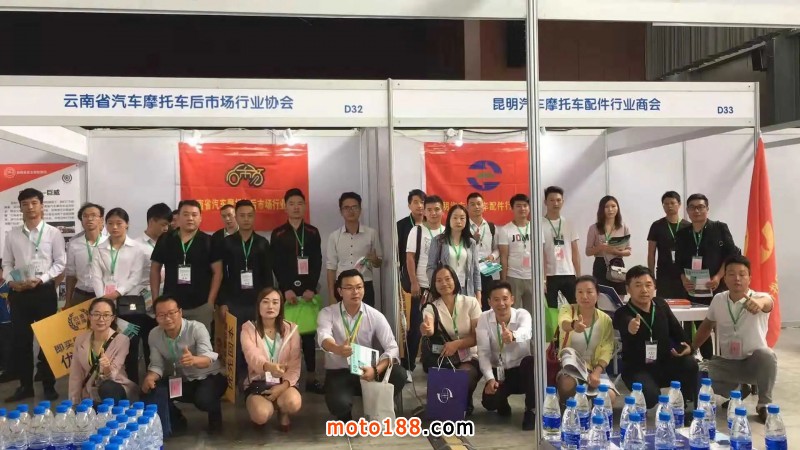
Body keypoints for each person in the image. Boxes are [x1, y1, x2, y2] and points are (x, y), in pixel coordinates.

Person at [691, 255, 776, 423]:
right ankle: (738, 390)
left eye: (742, 274)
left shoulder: (759, 297)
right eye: (731, 274)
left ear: (749, 278)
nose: (737, 278)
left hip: (753, 365)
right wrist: (692, 348)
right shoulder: (719, 299)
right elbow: (706, 326)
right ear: (725, 278)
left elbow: (768, 302)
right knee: (695, 374)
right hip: (727, 364)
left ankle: (764, 404)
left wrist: (759, 303)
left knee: (767, 355)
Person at [317, 269, 407, 421]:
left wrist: (376, 370)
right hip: (340, 371)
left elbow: (392, 347)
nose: (355, 292)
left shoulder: (375, 315)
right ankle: (345, 414)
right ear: (339, 291)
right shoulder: (328, 313)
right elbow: (323, 337)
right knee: (338, 404)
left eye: (359, 287)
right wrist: (337, 349)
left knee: (399, 374)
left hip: (367, 369)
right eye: (349, 288)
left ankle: (377, 404)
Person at [2, 188, 65, 402]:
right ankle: (25, 386)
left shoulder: (53, 233)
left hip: (43, 291)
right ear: (20, 207)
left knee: (48, 340)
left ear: (42, 205)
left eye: (34, 203)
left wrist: (42, 278)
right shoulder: (12, 234)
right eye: (25, 204)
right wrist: (11, 282)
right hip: (19, 292)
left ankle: (48, 385)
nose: (30, 207)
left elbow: (60, 263)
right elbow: (7, 263)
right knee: (21, 341)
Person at [613, 266, 697, 411]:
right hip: (637, 369)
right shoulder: (622, 312)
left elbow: (679, 333)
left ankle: (684, 405)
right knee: (650, 397)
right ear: (628, 289)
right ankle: (644, 396)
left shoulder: (661, 305)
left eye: (648, 285)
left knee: (690, 363)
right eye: (638, 285)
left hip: (664, 364)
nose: (644, 290)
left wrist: (688, 347)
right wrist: (631, 326)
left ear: (654, 287)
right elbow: (624, 321)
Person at [142, 296, 227, 434]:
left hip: (209, 376)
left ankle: (215, 416)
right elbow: (157, 365)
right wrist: (150, 377)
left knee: (204, 399)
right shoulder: (154, 334)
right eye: (161, 315)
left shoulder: (196, 328)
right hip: (182, 379)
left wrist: (194, 360)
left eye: (171, 313)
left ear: (180, 312)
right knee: (153, 390)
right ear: (156, 317)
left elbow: (207, 358)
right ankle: (177, 421)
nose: (167, 318)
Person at [271, 188, 324, 394]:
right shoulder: (278, 233)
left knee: (309, 337)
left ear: (304, 206)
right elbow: (276, 264)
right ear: (285, 207)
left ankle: (311, 378)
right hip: (288, 294)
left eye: (300, 203)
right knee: (286, 337)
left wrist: (311, 287)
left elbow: (317, 261)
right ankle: (287, 378)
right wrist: (286, 289)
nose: (296, 207)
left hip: (308, 293)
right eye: (291, 204)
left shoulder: (312, 232)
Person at [90, 208, 151, 385]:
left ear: (127, 225)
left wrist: (116, 293)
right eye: (110, 223)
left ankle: (133, 385)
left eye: (119, 223)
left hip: (129, 305)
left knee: (132, 347)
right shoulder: (99, 249)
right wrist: (103, 299)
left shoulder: (137, 248)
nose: (114, 227)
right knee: (109, 347)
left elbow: (135, 276)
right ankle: (111, 384)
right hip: (106, 306)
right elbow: (96, 276)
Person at [675, 193, 740, 359]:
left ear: (707, 209)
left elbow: (731, 255)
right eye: (692, 207)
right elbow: (679, 261)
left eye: (700, 207)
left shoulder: (719, 228)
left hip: (716, 287)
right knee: (701, 325)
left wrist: (718, 276)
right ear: (687, 211)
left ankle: (726, 359)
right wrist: (683, 279)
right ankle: (708, 360)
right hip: (693, 288)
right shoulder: (682, 233)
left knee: (723, 325)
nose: (697, 211)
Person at [218, 200, 274, 385]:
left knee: (258, 342)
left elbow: (267, 276)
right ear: (236, 217)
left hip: (257, 302)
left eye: (250, 215)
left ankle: (257, 379)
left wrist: (268, 302)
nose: (246, 219)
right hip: (234, 301)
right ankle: (238, 381)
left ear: (254, 217)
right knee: (236, 344)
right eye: (242, 215)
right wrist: (223, 301)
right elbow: (221, 275)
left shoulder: (262, 243)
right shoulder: (227, 243)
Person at [150, 200, 223, 333]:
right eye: (186, 214)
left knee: (200, 342)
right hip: (170, 306)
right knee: (171, 342)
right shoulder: (166, 239)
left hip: (200, 306)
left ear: (200, 218)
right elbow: (155, 269)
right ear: (178, 217)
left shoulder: (209, 241)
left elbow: (218, 272)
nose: (190, 218)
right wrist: (156, 300)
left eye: (194, 215)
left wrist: (210, 302)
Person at [421, 266, 482, 415]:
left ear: (455, 280)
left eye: (447, 279)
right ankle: (454, 406)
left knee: (463, 376)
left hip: (470, 355)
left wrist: (457, 344)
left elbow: (477, 337)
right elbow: (429, 326)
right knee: (442, 397)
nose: (444, 283)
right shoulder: (431, 307)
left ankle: (464, 399)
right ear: (434, 284)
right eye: (439, 280)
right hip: (445, 358)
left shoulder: (471, 302)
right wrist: (426, 328)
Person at [476, 281, 535, 430]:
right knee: (489, 402)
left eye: (505, 298)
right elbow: (483, 352)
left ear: (512, 299)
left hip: (521, 370)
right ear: (489, 302)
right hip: (499, 372)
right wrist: (490, 379)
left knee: (532, 363)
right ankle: (502, 402)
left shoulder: (522, 314)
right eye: (496, 300)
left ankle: (531, 410)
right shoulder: (484, 318)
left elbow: (527, 332)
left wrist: (513, 336)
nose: (501, 304)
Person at [241, 288, 302, 431]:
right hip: (258, 382)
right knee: (261, 415)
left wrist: (282, 387)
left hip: (284, 382)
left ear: (281, 306)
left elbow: (295, 364)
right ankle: (261, 409)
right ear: (258, 305)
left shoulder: (291, 329)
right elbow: (252, 356)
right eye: (265, 302)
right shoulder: (248, 328)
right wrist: (268, 367)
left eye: (275, 302)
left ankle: (283, 412)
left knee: (293, 402)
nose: (270, 306)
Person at [556, 276, 617, 403]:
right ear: (575, 295)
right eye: (580, 292)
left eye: (589, 292)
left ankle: (594, 410)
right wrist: (574, 325)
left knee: (609, 396)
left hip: (595, 368)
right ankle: (569, 409)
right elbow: (563, 323)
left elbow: (607, 349)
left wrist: (597, 372)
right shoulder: (567, 309)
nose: (584, 296)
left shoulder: (605, 319)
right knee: (567, 383)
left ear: (597, 295)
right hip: (570, 368)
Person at [404, 194, 445, 373]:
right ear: (425, 212)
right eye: (430, 210)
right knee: (416, 328)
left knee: (440, 328)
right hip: (421, 287)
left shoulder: (446, 231)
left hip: (441, 288)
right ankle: (408, 366)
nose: (433, 213)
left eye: (437, 209)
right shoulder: (417, 230)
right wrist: (414, 282)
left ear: (442, 210)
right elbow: (410, 258)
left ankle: (436, 364)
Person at [68, 298, 137, 404]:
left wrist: (106, 367)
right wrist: (74, 402)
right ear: (89, 317)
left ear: (112, 318)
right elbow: (76, 374)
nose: (101, 319)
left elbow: (113, 376)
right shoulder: (80, 339)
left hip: (115, 387)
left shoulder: (122, 340)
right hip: (90, 392)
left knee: (107, 387)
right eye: (96, 314)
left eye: (106, 315)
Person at [326, 192, 383, 307]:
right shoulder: (334, 236)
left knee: (365, 317)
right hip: (342, 286)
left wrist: (375, 260)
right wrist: (331, 295)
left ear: (360, 210)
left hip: (364, 284)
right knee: (342, 317)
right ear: (341, 211)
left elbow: (378, 263)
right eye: (346, 208)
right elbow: (331, 268)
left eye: (354, 207)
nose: (351, 211)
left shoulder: (371, 233)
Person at [135, 202, 173, 372]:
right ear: (151, 221)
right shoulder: (137, 245)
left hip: (167, 299)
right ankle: (151, 376)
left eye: (168, 225)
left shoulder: (169, 242)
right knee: (150, 341)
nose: (166, 229)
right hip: (146, 301)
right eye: (163, 224)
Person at [427, 204, 481, 300]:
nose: (458, 221)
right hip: (445, 290)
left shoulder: (471, 242)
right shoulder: (438, 241)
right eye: (455, 218)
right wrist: (438, 285)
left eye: (462, 218)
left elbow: (476, 271)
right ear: (449, 220)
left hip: (466, 290)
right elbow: (431, 267)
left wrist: (478, 295)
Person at [647, 191, 691, 299]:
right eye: (666, 204)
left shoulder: (688, 226)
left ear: (679, 204)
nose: (669, 206)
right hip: (664, 272)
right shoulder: (657, 225)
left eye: (672, 203)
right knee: (663, 303)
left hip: (684, 273)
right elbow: (651, 253)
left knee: (684, 302)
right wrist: (651, 275)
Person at [542, 186, 580, 308]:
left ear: (563, 202)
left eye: (558, 200)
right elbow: (541, 254)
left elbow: (575, 251)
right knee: (551, 310)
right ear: (545, 202)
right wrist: (543, 279)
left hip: (569, 273)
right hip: (550, 275)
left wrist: (579, 276)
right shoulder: (539, 224)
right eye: (552, 200)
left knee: (576, 307)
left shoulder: (569, 223)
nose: (555, 203)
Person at [586, 195, 631, 295]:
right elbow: (588, 252)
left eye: (613, 206)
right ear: (601, 209)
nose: (610, 210)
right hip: (600, 264)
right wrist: (600, 247)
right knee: (602, 297)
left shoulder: (623, 227)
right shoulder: (594, 228)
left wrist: (616, 251)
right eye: (606, 207)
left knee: (619, 297)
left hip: (617, 264)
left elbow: (629, 251)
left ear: (617, 208)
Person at [65, 202, 107, 307]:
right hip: (80, 295)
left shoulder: (109, 243)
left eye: (94, 215)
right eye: (85, 216)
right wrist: (68, 301)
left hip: (104, 294)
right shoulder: (74, 244)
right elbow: (70, 275)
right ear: (82, 221)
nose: (89, 219)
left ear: (101, 220)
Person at [498, 194, 533, 312]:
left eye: (525, 205)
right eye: (518, 206)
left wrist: (543, 279)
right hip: (513, 277)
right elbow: (503, 257)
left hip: (533, 277)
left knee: (533, 312)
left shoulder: (536, 228)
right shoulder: (505, 230)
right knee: (513, 312)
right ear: (512, 208)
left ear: (529, 208)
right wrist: (503, 280)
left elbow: (542, 255)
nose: (522, 208)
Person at [466, 192, 499, 311]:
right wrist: (472, 240)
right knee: (470, 304)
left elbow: (497, 249)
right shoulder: (463, 227)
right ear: (467, 207)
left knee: (486, 304)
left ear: (484, 206)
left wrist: (492, 256)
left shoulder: (491, 227)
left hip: (487, 270)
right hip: (469, 271)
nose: (476, 207)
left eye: (479, 204)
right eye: (472, 204)